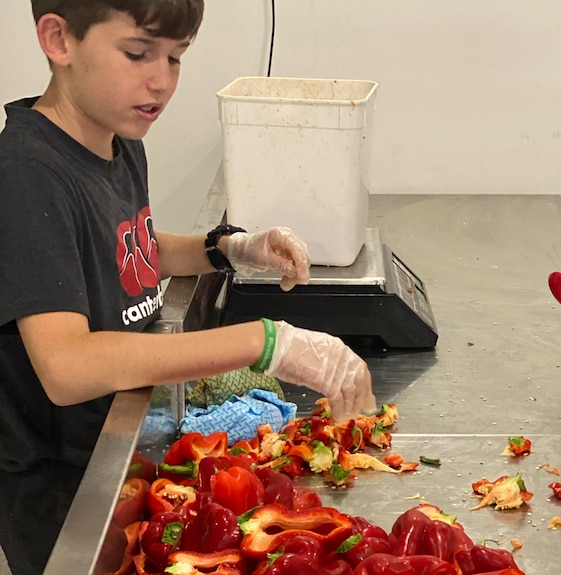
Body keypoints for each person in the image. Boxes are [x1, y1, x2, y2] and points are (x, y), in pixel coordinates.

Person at [0, 2, 376, 574]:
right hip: (58, 482)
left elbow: (128, 249)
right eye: (137, 53)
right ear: (58, 38)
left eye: (175, 58)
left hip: (115, 443)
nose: (162, 80)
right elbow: (67, 365)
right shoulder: (28, 177)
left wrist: (224, 247)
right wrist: (267, 342)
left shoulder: (117, 138)